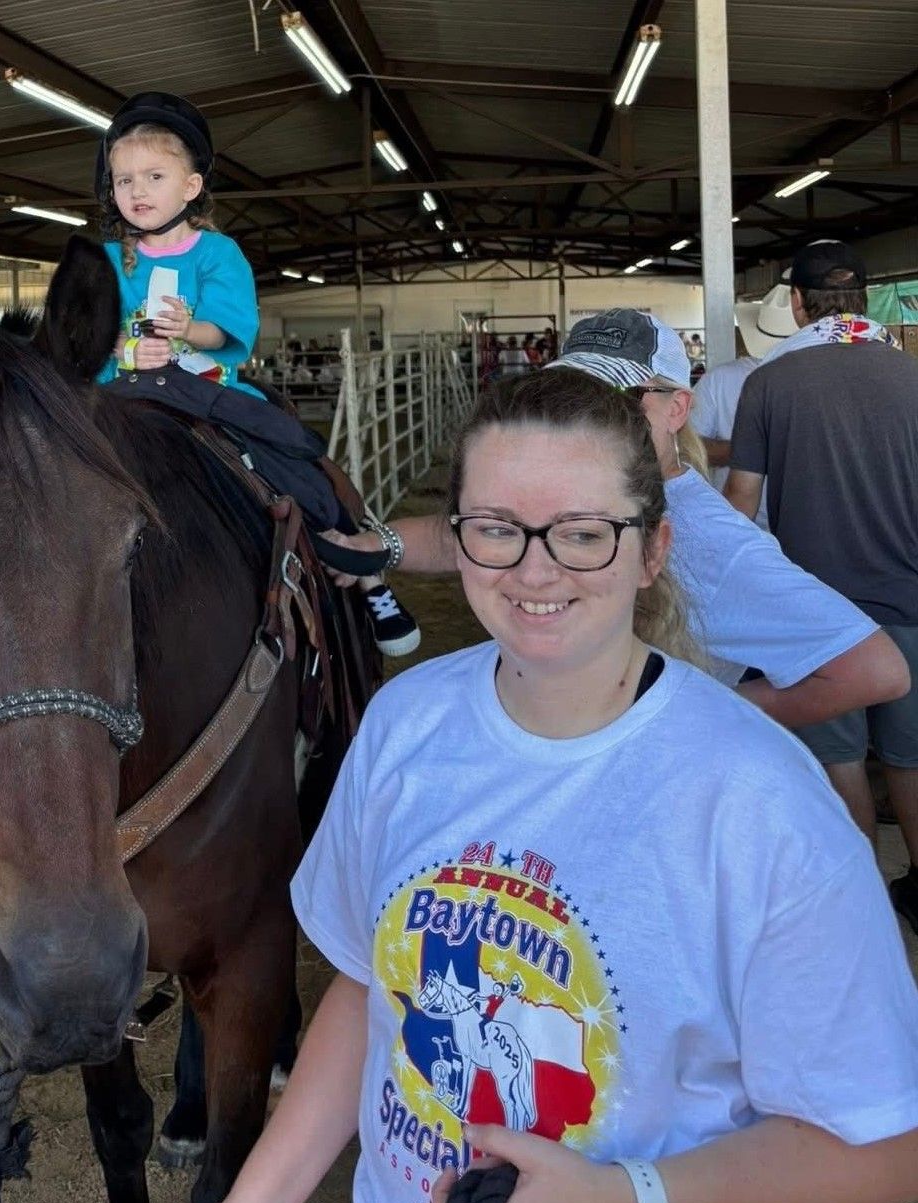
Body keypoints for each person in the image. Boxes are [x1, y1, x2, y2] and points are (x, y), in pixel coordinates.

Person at [141, 366, 918, 1203]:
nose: (534, 570)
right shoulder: (406, 724)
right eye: (497, 529)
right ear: (454, 536)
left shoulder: (761, 804)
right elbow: (367, 990)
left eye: (584, 534)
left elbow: (883, 1146)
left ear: (653, 550)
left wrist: (626, 1201)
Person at [323, 308, 909, 731]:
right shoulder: (584, 488)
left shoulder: (709, 537)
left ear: (677, 407)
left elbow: (873, 670)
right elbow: (480, 531)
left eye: (623, 401)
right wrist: (382, 545)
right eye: (577, 394)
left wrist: (691, 717)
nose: (594, 419)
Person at [92, 90, 419, 656]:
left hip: (204, 390)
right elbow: (85, 335)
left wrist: (189, 330)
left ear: (190, 187)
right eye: (124, 180)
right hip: (123, 395)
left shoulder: (217, 254)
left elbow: (228, 329)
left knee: (290, 447)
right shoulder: (101, 260)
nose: (137, 191)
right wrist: (125, 351)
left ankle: (361, 564)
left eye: (153, 176)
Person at [726, 240, 918, 933]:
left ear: (799, 305)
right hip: (911, 600)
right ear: (864, 300)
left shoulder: (770, 385)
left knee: (838, 760)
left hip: (817, 612)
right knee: (911, 755)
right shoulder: (913, 376)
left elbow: (741, 504)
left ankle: (859, 902)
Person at [691, 275, 798, 529]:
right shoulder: (719, 381)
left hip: (742, 524)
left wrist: (748, 452)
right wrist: (760, 452)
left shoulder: (719, 380)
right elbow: (690, 447)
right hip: (795, 527)